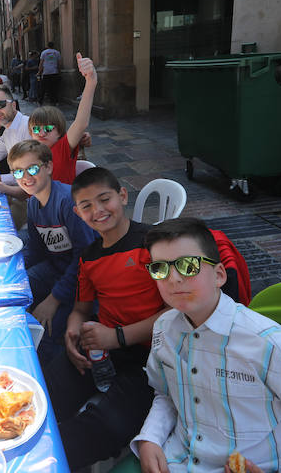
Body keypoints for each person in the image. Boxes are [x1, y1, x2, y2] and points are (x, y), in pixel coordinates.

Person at [133, 218, 281, 473]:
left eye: (187, 266)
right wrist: (150, 437)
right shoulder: (164, 327)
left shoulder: (273, 346)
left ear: (219, 275)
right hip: (175, 460)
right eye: (160, 268)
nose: (173, 278)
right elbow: (166, 394)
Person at [44, 167, 169, 470]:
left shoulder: (152, 246)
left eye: (105, 200)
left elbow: (175, 312)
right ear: (77, 212)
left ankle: (47, 461)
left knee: (99, 429)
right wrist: (72, 335)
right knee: (46, 392)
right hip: (103, 351)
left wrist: (118, 336)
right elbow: (81, 309)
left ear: (122, 196)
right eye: (87, 206)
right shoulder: (90, 256)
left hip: (152, 362)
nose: (98, 211)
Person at [9, 140, 98, 365]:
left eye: (32, 169)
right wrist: (13, 268)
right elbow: (36, 250)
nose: (26, 177)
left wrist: (54, 299)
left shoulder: (68, 202)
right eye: (18, 171)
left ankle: (51, 368)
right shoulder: (32, 204)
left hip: (84, 283)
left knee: (44, 333)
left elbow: (85, 258)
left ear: (48, 167)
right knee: (14, 289)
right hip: (55, 268)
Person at [29, 53, 97, 185]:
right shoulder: (32, 152)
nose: (41, 133)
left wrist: (91, 81)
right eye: (36, 129)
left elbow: (81, 123)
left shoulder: (62, 148)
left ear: (59, 132)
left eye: (48, 129)